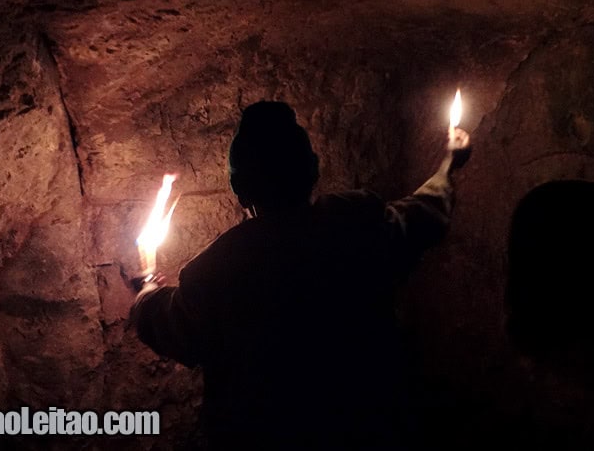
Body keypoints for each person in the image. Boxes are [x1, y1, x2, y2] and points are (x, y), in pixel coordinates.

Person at [130, 100, 470, 450]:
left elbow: (172, 326)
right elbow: (423, 214)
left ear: (239, 189)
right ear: (312, 169)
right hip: (363, 428)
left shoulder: (219, 268)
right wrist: (448, 164)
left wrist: (146, 291)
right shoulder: (358, 224)